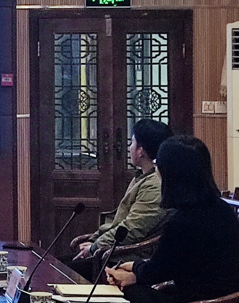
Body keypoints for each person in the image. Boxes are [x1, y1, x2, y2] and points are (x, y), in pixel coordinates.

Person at [106, 136, 239, 303]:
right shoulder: (221, 208)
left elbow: (160, 270)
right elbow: (173, 265)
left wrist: (133, 272)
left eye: (158, 164)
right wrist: (134, 269)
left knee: (128, 294)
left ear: (171, 173)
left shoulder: (183, 220)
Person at [68, 119, 172, 280]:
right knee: (55, 265)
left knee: (63, 272)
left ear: (141, 151)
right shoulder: (142, 176)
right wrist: (95, 241)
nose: (129, 148)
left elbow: (132, 229)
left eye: (132, 143)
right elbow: (119, 221)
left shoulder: (155, 185)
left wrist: (94, 248)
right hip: (111, 250)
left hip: (127, 257)